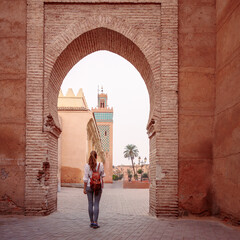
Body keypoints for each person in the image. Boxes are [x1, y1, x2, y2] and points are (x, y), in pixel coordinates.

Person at [83, 150, 105, 229]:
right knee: (96, 204)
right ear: (96, 157)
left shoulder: (86, 166)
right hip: (98, 186)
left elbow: (85, 179)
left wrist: (84, 189)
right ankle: (95, 222)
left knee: (90, 203)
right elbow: (102, 175)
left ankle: (91, 222)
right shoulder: (100, 165)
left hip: (89, 185)